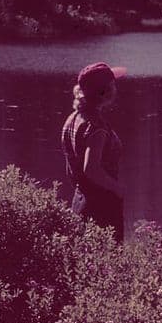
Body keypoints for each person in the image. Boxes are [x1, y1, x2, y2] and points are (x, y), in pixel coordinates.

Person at [61, 62, 127, 242]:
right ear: (105, 92)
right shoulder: (97, 127)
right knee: (108, 256)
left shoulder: (73, 118)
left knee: (84, 255)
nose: (116, 88)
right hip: (101, 205)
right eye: (112, 85)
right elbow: (91, 169)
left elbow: (71, 166)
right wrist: (117, 189)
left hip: (80, 198)